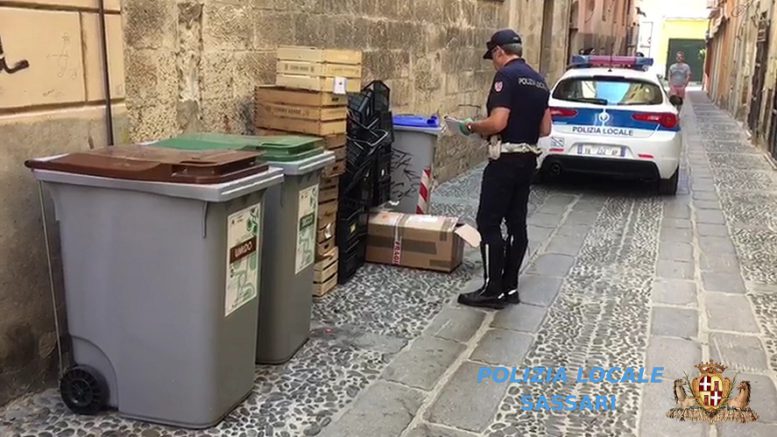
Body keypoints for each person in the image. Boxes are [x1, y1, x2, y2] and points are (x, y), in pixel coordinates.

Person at [455, 29, 552, 310]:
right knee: (517, 223)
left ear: (499, 51)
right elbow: (545, 128)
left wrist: (472, 126)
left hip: (505, 160)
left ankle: (491, 289)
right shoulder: (539, 80)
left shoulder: (506, 77)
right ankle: (510, 288)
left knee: (488, 222)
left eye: (493, 57)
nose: (494, 63)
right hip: (528, 161)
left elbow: (498, 122)